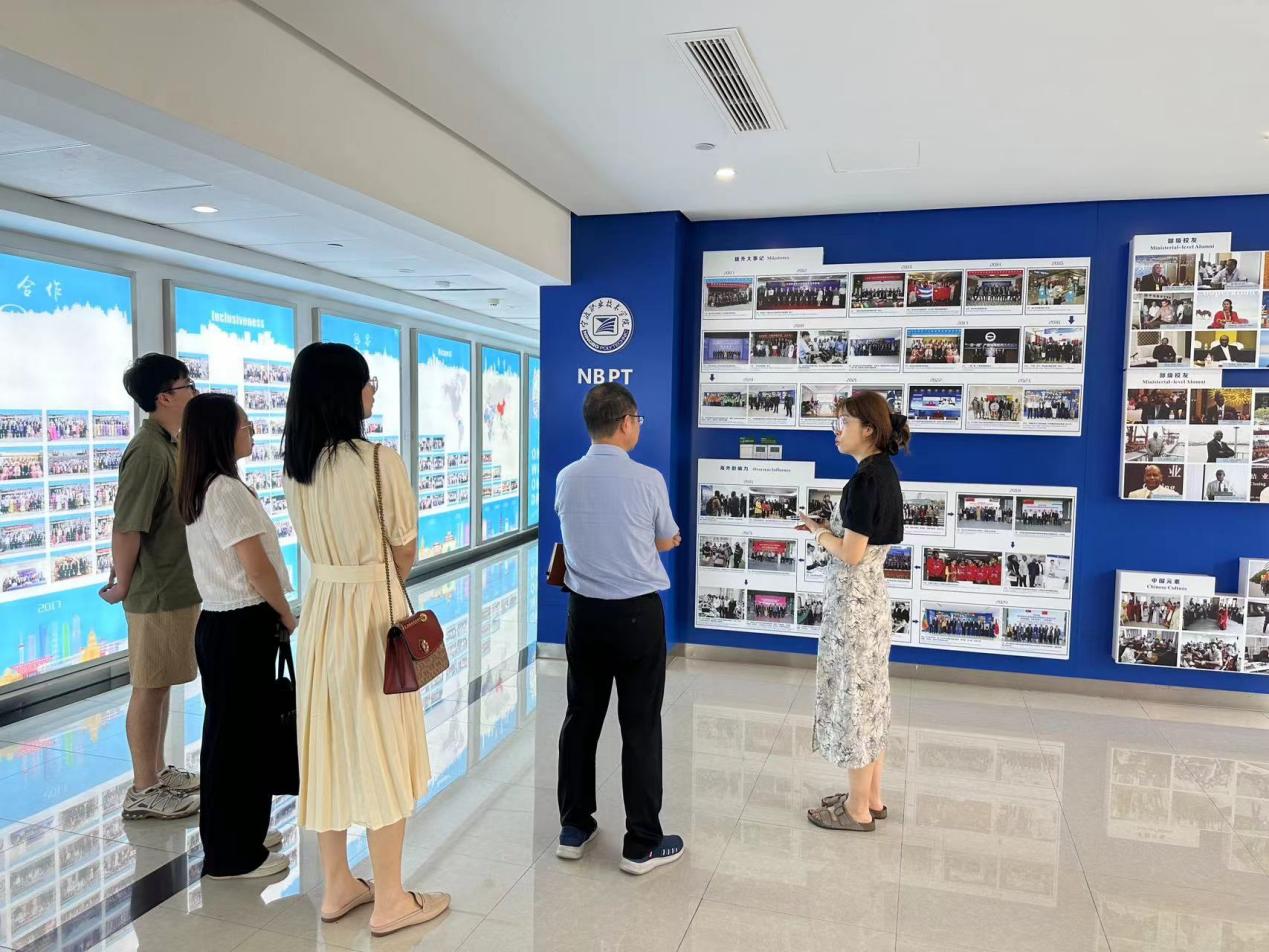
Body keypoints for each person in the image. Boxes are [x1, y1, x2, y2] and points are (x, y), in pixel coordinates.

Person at [282, 343, 449, 937]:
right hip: (372, 614)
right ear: (345, 391)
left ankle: (337, 886)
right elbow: (403, 549)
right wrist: (379, 585)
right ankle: (391, 900)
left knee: (326, 745)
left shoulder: (296, 468)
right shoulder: (380, 460)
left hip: (321, 613)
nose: (372, 390)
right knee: (383, 744)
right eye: (368, 381)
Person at [554, 383, 685, 874]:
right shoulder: (648, 479)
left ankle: (574, 827)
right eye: (638, 422)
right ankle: (642, 842)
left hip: (584, 614)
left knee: (581, 718)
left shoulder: (567, 477)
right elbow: (665, 538)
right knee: (640, 725)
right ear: (627, 422)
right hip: (636, 616)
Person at [178, 393, 294, 879]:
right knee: (237, 740)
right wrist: (284, 612)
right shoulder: (224, 490)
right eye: (246, 425)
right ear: (222, 435)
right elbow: (256, 567)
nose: (252, 432)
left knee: (237, 734)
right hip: (241, 623)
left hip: (225, 624)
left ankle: (243, 831)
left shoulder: (205, 487)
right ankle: (232, 854)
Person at [100, 354, 202, 820]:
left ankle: (158, 771)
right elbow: (128, 525)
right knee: (149, 685)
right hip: (156, 589)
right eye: (187, 385)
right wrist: (123, 583)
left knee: (160, 685)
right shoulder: (147, 451)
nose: (194, 392)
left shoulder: (170, 444)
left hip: (176, 585)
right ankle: (143, 788)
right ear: (164, 397)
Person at [800, 391, 908, 832]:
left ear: (868, 429)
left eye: (843, 422)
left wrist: (818, 533)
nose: (836, 430)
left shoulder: (865, 481)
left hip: (853, 607)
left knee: (855, 702)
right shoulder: (884, 473)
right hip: (872, 601)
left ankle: (857, 810)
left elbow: (851, 553)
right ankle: (871, 797)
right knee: (872, 700)